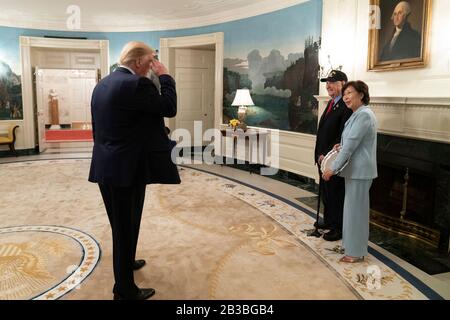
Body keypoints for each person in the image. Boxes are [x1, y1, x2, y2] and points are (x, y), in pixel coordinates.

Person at [88, 41, 180, 299]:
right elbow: (169, 107)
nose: (154, 65)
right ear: (138, 61)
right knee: (125, 226)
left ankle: (126, 263)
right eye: (152, 60)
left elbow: (109, 126)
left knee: (123, 223)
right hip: (126, 169)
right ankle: (125, 290)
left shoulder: (102, 84)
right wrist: (166, 76)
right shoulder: (138, 84)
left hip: (107, 166)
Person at [322, 81, 377, 263]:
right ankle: (351, 247)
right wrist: (341, 145)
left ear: (361, 95)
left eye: (350, 93)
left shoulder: (364, 115)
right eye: (344, 93)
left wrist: (332, 169)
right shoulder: (356, 115)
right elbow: (350, 143)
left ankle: (356, 252)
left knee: (357, 213)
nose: (345, 96)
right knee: (351, 211)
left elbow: (351, 146)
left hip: (360, 171)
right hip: (354, 171)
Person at [314, 70, 353, 241]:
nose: (328, 85)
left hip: (332, 159)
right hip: (322, 158)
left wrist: (328, 155)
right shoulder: (331, 104)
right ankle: (329, 221)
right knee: (326, 192)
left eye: (332, 82)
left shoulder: (346, 107)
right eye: (327, 82)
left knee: (336, 194)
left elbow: (341, 136)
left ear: (343, 84)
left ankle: (337, 227)